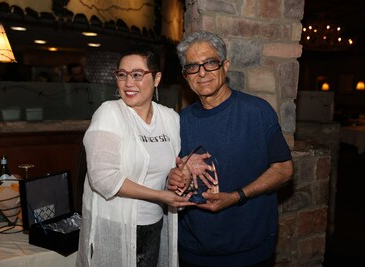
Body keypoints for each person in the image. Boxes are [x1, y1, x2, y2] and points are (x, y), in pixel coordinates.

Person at [168, 31, 294, 267]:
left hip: (249, 249)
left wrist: (237, 196)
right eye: (192, 66)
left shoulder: (257, 112)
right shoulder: (178, 122)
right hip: (193, 250)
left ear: (225, 66)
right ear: (185, 76)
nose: (202, 73)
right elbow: (170, 178)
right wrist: (173, 178)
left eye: (210, 63)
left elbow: (284, 169)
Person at [76, 44, 196, 267]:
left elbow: (171, 169)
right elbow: (103, 179)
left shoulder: (170, 118)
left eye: (137, 75)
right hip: (116, 225)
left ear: (157, 78)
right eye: (122, 75)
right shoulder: (109, 113)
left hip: (153, 225)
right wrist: (161, 196)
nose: (128, 83)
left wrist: (179, 176)